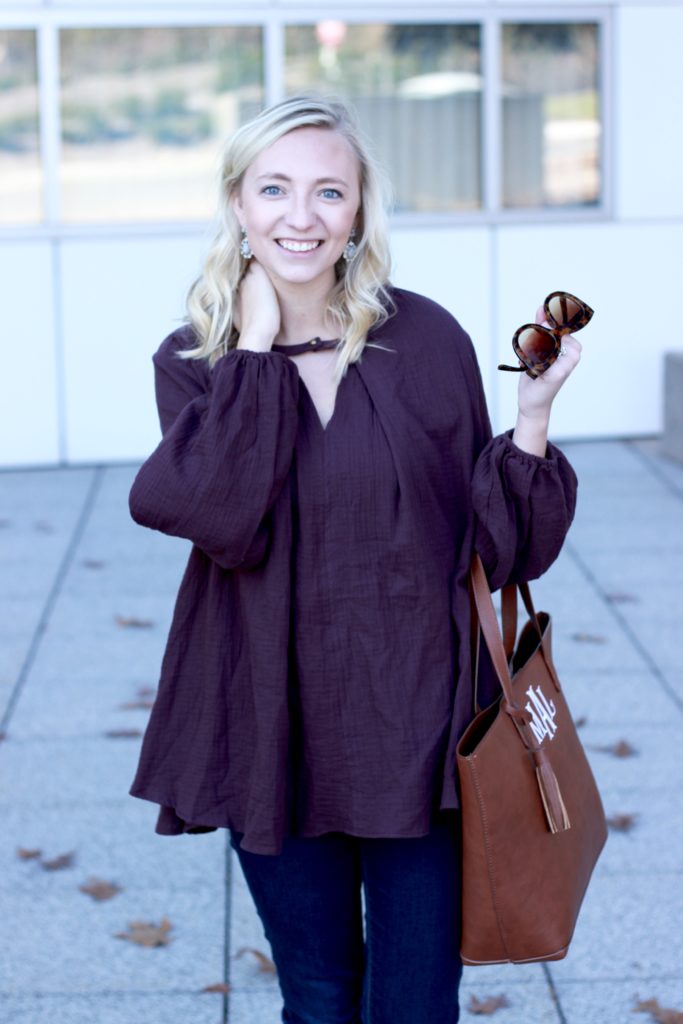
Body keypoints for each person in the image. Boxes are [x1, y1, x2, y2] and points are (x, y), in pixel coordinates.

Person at [128, 96, 581, 1024]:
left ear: (359, 209)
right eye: (276, 190)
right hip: (268, 719)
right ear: (239, 205)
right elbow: (220, 516)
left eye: (328, 191)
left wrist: (530, 421)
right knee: (321, 996)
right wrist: (255, 346)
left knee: (415, 1003)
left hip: (418, 723)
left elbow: (500, 549)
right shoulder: (195, 360)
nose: (302, 216)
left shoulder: (426, 339)